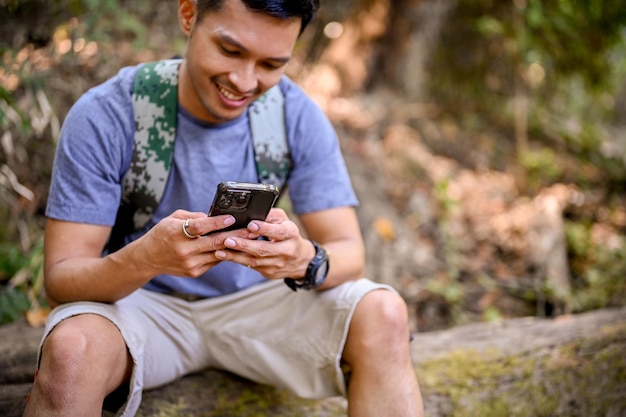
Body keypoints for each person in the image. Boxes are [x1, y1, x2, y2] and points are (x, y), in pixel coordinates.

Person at [23, 0, 424, 416]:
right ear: (188, 14)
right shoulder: (109, 114)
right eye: (230, 51)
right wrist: (145, 258)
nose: (244, 80)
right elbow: (62, 278)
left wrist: (303, 259)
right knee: (72, 351)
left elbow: (348, 251)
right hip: (139, 305)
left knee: (385, 312)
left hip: (261, 309)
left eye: (271, 64)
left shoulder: (295, 116)